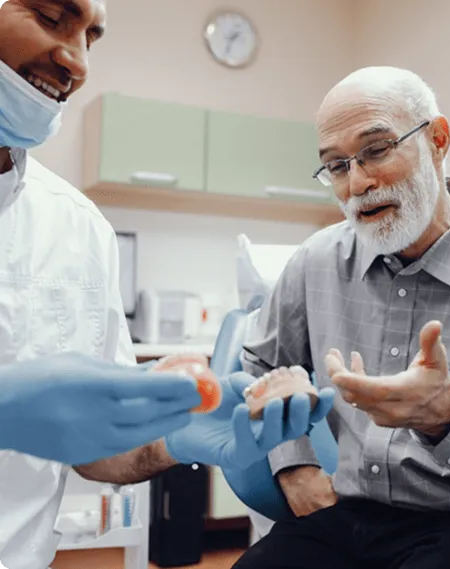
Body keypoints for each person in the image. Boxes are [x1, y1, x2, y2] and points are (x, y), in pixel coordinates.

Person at [0, 2, 333, 568]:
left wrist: (171, 438)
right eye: (52, 16)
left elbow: (96, 452)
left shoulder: (77, 228)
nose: (76, 61)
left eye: (92, 37)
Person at [235, 66, 450, 569]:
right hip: (352, 516)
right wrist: (293, 465)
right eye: (336, 166)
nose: (358, 182)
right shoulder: (317, 262)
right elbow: (256, 368)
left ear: (438, 140)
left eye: (376, 150)